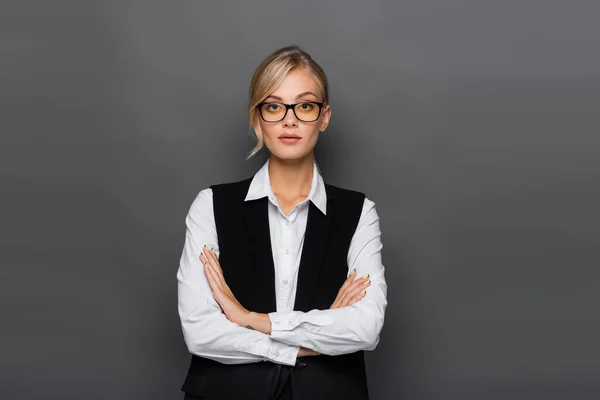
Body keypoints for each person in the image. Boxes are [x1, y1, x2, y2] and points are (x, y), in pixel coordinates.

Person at [177, 45, 388, 400]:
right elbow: (200, 331)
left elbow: (365, 328)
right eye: (274, 106)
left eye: (305, 106)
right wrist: (306, 343)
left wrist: (250, 318)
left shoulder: (359, 212)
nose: (290, 120)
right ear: (257, 117)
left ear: (324, 116)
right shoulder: (210, 206)